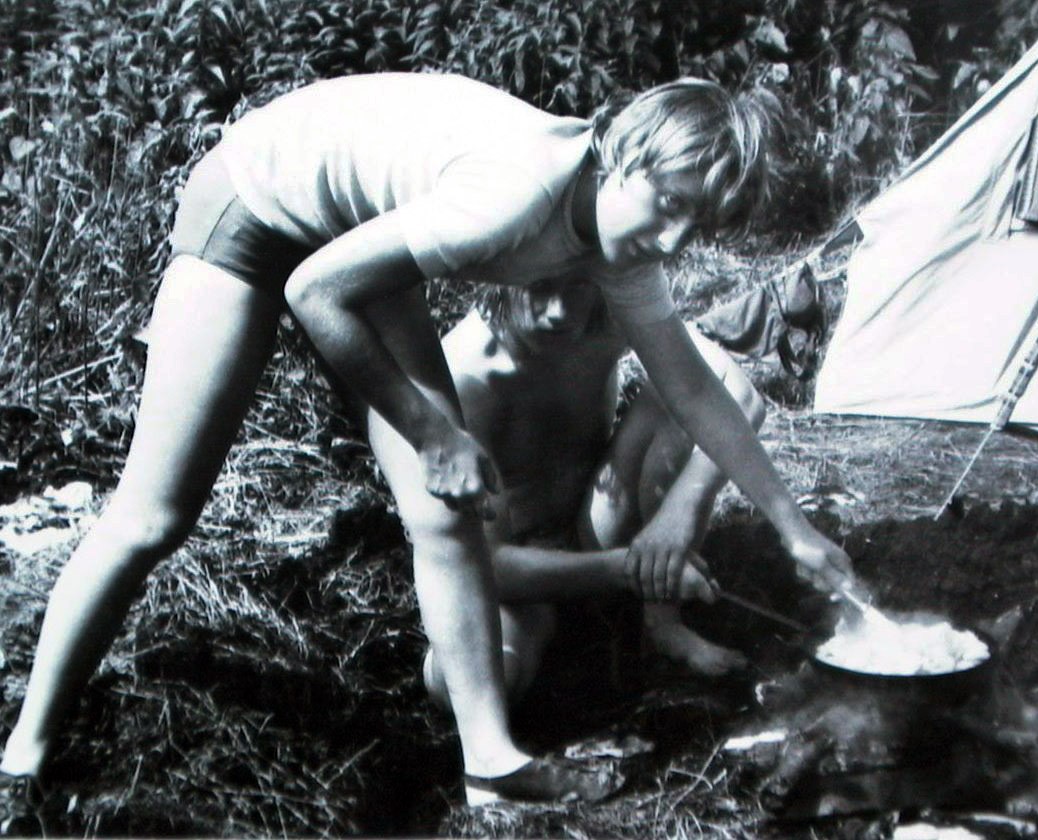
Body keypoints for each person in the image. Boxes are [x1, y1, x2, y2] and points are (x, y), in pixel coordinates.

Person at [0, 72, 864, 824]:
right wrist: (433, 431)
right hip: (258, 210)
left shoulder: (619, 244)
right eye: (669, 204)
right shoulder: (517, 193)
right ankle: (24, 757)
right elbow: (315, 288)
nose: (674, 240)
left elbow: (695, 387)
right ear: (623, 154)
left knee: (440, 511)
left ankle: (491, 762)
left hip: (364, 241)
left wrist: (792, 526)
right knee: (154, 516)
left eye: (697, 223)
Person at [381, 275, 760, 711]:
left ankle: (662, 625)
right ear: (499, 277)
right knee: (466, 686)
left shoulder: (607, 320)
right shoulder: (465, 376)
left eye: (576, 285)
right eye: (540, 287)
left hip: (598, 522)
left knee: (678, 397)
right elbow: (487, 566)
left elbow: (742, 395)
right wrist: (622, 569)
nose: (560, 311)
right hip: (524, 575)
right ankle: (540, 645)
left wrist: (680, 512)